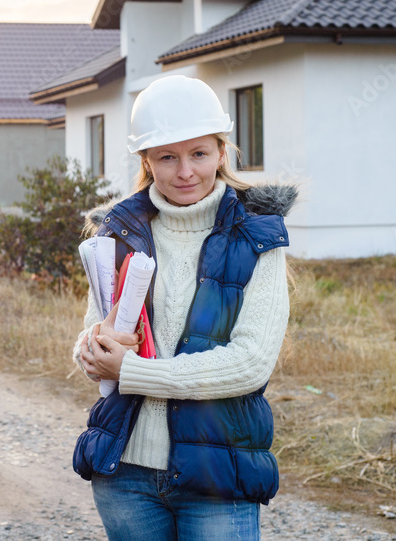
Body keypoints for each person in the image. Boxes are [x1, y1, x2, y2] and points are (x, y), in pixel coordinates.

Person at [71, 75, 296, 540]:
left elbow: (251, 363)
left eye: (199, 154)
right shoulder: (117, 234)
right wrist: (93, 350)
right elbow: (93, 336)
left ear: (221, 150)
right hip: (124, 473)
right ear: (147, 161)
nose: (185, 171)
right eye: (168, 157)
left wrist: (133, 371)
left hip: (218, 473)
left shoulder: (257, 238)